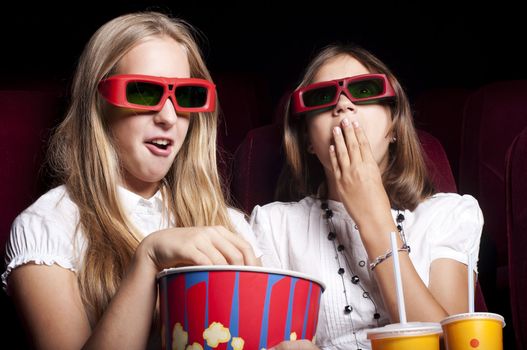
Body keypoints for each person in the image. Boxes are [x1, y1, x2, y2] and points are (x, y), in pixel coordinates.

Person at [2, 12, 261, 350]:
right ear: (98, 105)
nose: (168, 117)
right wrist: (148, 257)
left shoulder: (230, 225)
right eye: (142, 92)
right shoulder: (47, 228)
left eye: (186, 96)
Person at [250, 44, 483, 350]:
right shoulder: (273, 225)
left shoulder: (451, 215)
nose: (343, 105)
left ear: (394, 126)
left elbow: (450, 345)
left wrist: (373, 217)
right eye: (322, 97)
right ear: (308, 139)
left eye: (365, 90)